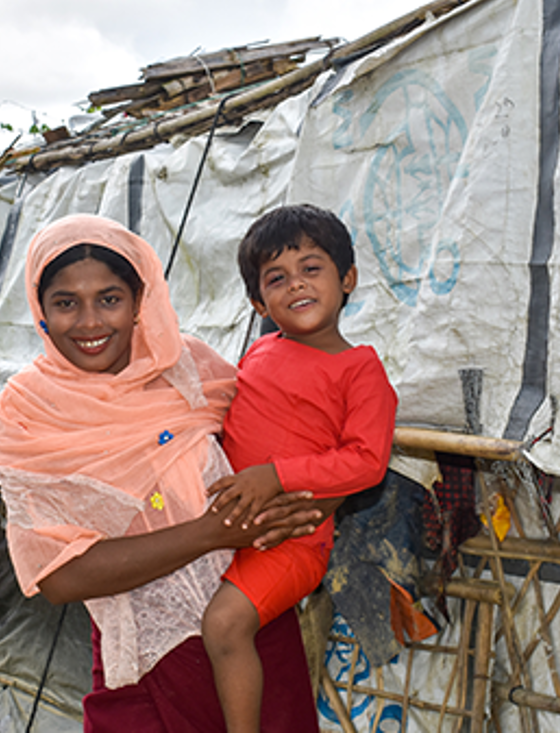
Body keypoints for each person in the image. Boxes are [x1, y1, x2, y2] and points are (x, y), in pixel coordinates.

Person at [0, 214, 329, 732]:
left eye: (109, 298)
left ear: (138, 301)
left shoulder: (189, 369)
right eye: (65, 303)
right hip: (148, 662)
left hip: (256, 635)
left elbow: (286, 451)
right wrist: (210, 533)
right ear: (40, 310)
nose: (89, 322)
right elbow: (60, 576)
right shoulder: (31, 413)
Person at [201, 204, 398, 733]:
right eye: (277, 278)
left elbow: (366, 462)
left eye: (312, 268)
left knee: (223, 626)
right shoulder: (258, 351)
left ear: (347, 278)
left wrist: (277, 476)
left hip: (292, 541)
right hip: (226, 524)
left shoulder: (361, 369)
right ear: (257, 300)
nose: (296, 285)